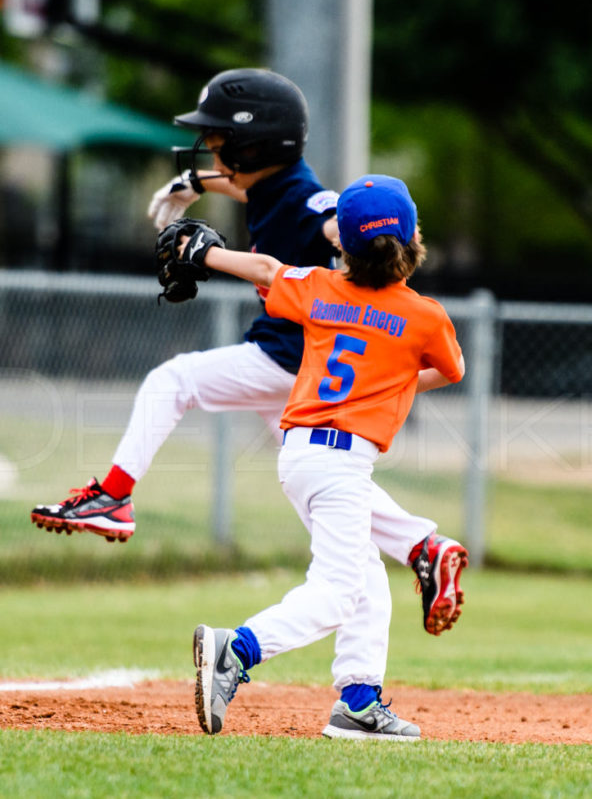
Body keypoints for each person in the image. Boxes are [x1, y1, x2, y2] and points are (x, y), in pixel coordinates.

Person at [30, 68, 467, 637]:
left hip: (286, 363)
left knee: (173, 381)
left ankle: (112, 496)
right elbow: (250, 188)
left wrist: (342, 233)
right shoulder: (275, 186)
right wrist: (197, 180)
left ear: (254, 142)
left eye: (219, 140)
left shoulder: (312, 200)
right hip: (302, 378)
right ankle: (419, 555)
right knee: (343, 530)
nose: (211, 145)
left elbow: (331, 217)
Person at [184, 174, 465, 739]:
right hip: (340, 461)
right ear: (412, 241)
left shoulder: (320, 287)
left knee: (365, 580)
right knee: (337, 591)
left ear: (343, 244)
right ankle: (234, 649)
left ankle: (359, 702)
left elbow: (266, 271)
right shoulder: (424, 316)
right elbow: (451, 370)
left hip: (303, 452)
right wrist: (390, 380)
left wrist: (207, 252)